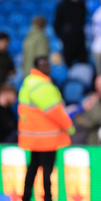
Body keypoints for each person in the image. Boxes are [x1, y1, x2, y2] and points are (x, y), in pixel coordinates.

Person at [18, 56, 74, 201]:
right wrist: (68, 126)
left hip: (34, 135)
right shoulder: (41, 85)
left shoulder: (28, 82)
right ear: (37, 67)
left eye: (47, 64)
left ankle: (26, 196)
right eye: (43, 65)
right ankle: (47, 197)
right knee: (47, 170)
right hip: (46, 136)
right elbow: (54, 110)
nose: (47, 67)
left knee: (33, 167)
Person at [54, 0, 87, 67]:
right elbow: (57, 24)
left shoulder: (82, 4)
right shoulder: (63, 5)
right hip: (68, 43)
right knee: (68, 66)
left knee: (84, 65)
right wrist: (65, 36)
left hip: (80, 41)